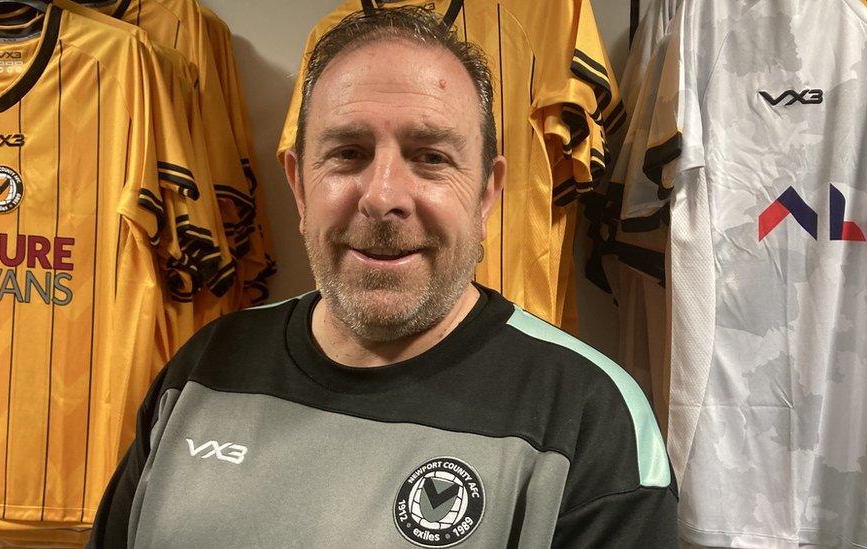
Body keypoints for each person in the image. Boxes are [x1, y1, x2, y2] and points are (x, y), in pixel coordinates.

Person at [89, 6, 678, 548]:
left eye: (431, 156)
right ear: (298, 184)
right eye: (347, 152)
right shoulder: (201, 371)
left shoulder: (590, 420)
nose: (384, 197)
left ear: (487, 193)